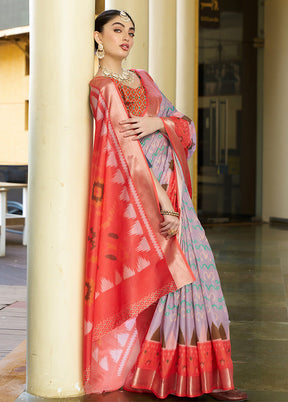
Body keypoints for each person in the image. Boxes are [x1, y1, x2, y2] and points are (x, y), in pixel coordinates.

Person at [83, 9, 248, 402]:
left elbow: (184, 124)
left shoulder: (144, 80)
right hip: (146, 199)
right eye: (117, 30)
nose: (126, 37)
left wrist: (160, 124)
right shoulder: (102, 87)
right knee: (174, 282)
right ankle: (170, 374)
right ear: (97, 37)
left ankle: (213, 378)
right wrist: (163, 207)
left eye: (131, 31)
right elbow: (126, 154)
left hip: (177, 197)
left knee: (202, 280)